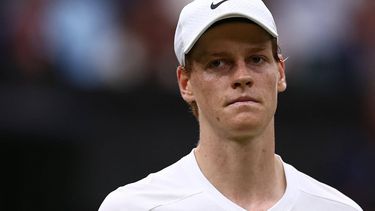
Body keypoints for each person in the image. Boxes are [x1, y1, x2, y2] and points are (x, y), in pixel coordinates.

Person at [99, 0, 363, 210]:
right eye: (217, 63)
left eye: (257, 59)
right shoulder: (133, 206)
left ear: (280, 72)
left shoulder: (336, 207)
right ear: (185, 83)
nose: (242, 76)